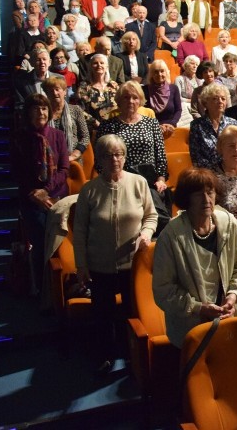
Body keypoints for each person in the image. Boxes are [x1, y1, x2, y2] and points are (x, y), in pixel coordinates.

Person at [74, 134, 158, 374]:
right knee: (103, 316)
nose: (115, 160)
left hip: (133, 265)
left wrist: (146, 233)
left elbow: (151, 216)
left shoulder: (138, 182)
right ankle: (106, 356)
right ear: (99, 159)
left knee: (134, 313)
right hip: (99, 265)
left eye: (119, 154)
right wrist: (81, 265)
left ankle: (135, 358)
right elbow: (79, 231)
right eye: (109, 155)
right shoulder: (89, 191)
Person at [152, 167, 237, 348]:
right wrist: (198, 308)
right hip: (191, 330)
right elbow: (164, 290)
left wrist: (233, 294)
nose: (207, 200)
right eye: (198, 195)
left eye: (210, 193)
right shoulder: (171, 236)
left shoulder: (229, 223)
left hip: (230, 319)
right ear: (187, 199)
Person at [11, 93, 69, 292]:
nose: (41, 112)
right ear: (28, 113)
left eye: (44, 108)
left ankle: (61, 287)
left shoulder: (58, 136)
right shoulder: (20, 138)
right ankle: (44, 290)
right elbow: (17, 172)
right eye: (35, 108)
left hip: (57, 196)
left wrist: (46, 191)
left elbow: (64, 169)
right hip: (31, 199)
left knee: (61, 244)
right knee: (42, 243)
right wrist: (35, 195)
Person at [97, 81, 169, 212]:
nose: (131, 101)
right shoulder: (107, 126)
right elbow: (100, 160)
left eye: (135, 97)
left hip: (149, 182)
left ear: (140, 100)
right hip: (119, 180)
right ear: (119, 100)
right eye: (126, 97)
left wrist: (161, 179)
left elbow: (161, 155)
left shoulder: (151, 123)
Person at [189, 83, 237, 170]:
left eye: (223, 99)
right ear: (205, 103)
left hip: (232, 171)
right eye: (215, 98)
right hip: (208, 174)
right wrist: (219, 169)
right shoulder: (196, 126)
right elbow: (196, 158)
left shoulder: (233, 123)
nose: (220, 101)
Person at [44, 77, 89, 163]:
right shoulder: (43, 113)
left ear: (65, 92)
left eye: (57, 89)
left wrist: (74, 155)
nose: (54, 93)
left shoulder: (76, 110)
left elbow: (85, 137)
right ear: (46, 94)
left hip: (73, 160)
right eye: (50, 90)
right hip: (49, 161)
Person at [12, 47, 63, 114]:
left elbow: (64, 102)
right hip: (32, 120)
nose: (42, 62)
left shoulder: (59, 79)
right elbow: (20, 106)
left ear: (50, 62)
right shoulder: (22, 81)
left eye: (44, 59)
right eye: (38, 60)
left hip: (56, 118)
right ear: (32, 63)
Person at [76, 53, 119, 129]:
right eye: (95, 63)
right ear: (90, 67)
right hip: (94, 129)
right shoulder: (84, 87)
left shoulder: (114, 85)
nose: (99, 65)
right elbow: (80, 110)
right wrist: (94, 122)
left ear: (107, 67)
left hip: (115, 127)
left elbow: (121, 105)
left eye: (102, 63)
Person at [143, 60, 182, 137]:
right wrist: (156, 127)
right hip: (151, 129)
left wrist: (172, 123)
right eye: (156, 72)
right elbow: (142, 113)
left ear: (166, 73)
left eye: (162, 71)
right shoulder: (144, 90)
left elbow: (178, 110)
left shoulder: (174, 88)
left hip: (170, 128)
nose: (159, 74)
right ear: (151, 74)